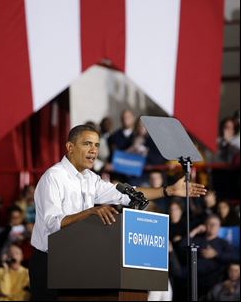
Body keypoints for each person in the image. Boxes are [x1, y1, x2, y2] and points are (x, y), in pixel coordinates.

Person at [29, 124, 207, 301]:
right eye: (87, 144)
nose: (94, 150)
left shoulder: (90, 178)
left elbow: (126, 196)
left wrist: (168, 191)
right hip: (49, 263)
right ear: (70, 147)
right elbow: (52, 224)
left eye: (97, 145)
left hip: (78, 263)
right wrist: (90, 212)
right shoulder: (54, 177)